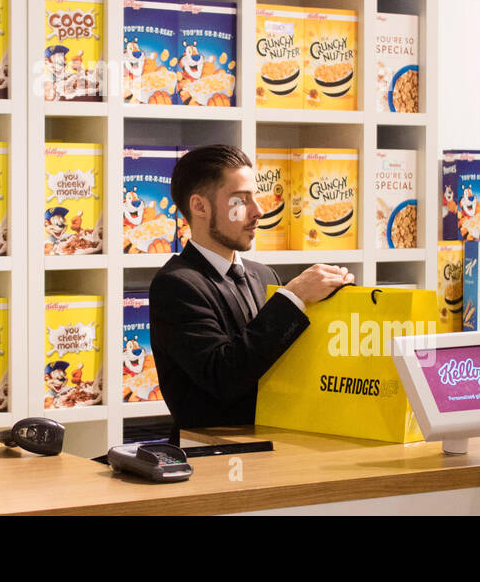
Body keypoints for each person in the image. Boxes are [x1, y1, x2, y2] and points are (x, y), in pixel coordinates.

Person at [149, 144, 353, 429]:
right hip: (212, 457)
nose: (259, 211)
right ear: (199, 206)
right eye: (240, 200)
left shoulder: (265, 275)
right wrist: (294, 297)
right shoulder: (176, 285)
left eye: (255, 197)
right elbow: (224, 377)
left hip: (284, 444)